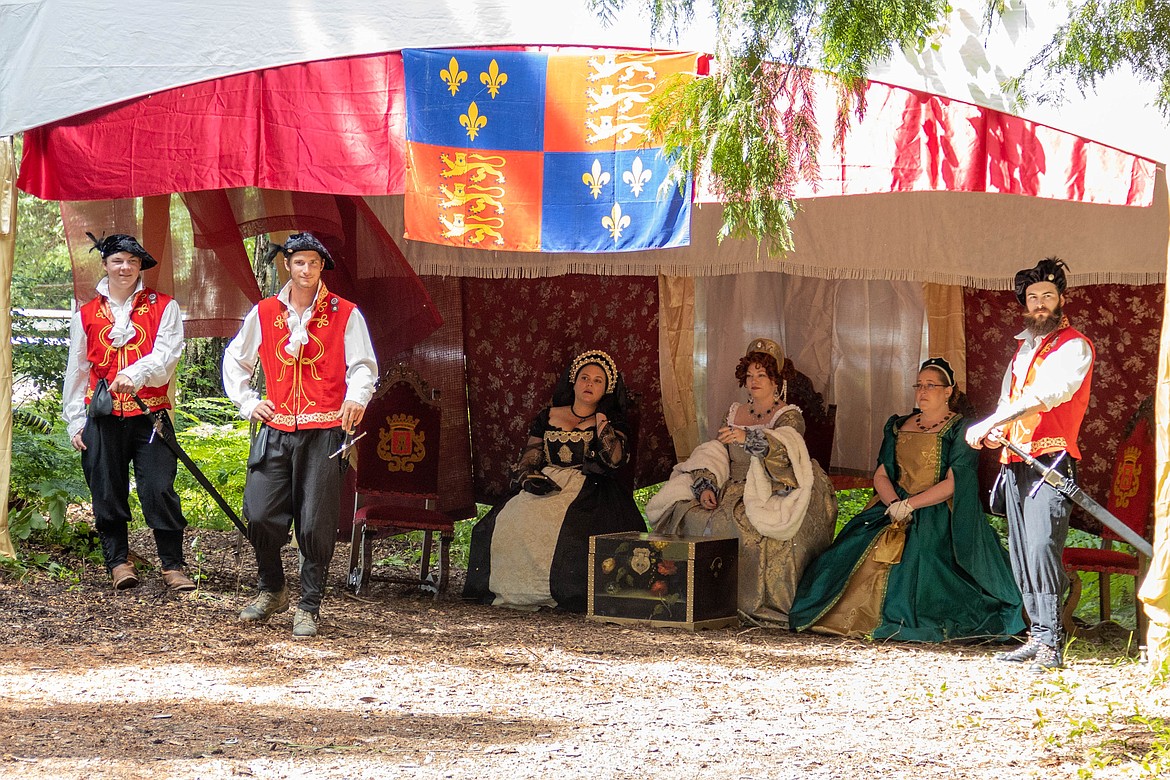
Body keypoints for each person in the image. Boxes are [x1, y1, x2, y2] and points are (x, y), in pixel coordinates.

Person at [789, 358, 1024, 641]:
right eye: (919, 385)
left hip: (936, 511)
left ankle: (903, 617)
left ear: (948, 391)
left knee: (924, 554)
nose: (922, 391)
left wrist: (911, 505)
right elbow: (882, 474)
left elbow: (953, 484)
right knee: (846, 550)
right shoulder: (898, 425)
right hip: (892, 506)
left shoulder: (960, 430)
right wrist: (893, 505)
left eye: (930, 386)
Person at [223, 232, 377, 638]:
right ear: (287, 266)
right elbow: (236, 361)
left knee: (315, 524)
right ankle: (273, 588)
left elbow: (363, 365)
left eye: (312, 262)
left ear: (321, 267)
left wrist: (357, 397)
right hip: (275, 429)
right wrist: (248, 402)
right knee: (259, 514)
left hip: (325, 431)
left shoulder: (345, 313)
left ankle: (309, 605)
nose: (305, 269)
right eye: (298, 262)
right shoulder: (263, 312)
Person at [644, 338, 837, 626]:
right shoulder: (734, 412)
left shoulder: (790, 415)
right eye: (750, 375)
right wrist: (707, 484)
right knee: (689, 513)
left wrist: (748, 438)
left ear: (776, 380)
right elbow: (718, 451)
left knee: (747, 525)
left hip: (769, 487)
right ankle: (691, 599)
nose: (754, 381)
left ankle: (740, 602)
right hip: (731, 484)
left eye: (762, 375)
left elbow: (787, 452)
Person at [965, 257, 1094, 673]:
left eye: (1047, 297)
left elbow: (1047, 396)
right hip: (1015, 459)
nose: (1040, 304)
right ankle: (1036, 635)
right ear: (1025, 304)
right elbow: (1009, 402)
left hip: (1050, 462)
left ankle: (1053, 643)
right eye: (1033, 297)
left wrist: (990, 421)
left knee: (1041, 549)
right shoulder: (1023, 349)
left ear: (1061, 300)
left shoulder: (1075, 345)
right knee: (1021, 553)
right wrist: (995, 431)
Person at [462, 349, 647, 613]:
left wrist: (602, 421)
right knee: (509, 519)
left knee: (572, 532)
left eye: (598, 380)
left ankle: (553, 594)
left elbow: (616, 460)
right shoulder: (548, 416)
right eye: (585, 378)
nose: (589, 385)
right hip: (547, 481)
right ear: (574, 382)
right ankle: (513, 591)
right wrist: (529, 477)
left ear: (606, 388)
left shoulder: (610, 421)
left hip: (589, 486)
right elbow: (529, 456)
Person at [62, 233, 194, 592]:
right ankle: (118, 562)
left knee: (159, 487)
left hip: (151, 415)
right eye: (118, 260)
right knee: (106, 489)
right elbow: (76, 369)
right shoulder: (86, 314)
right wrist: (76, 420)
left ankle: (172, 564)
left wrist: (133, 374)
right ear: (105, 264)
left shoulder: (165, 307)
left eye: (132, 262)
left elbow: (166, 357)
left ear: (140, 267)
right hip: (102, 417)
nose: (125, 267)